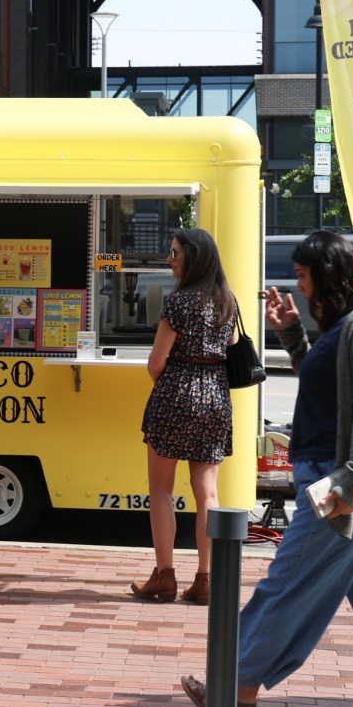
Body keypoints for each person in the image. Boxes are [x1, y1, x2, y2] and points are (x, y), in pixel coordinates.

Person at [179, 231, 353, 707]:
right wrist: (291, 335)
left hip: (340, 483)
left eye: (304, 276)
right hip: (348, 483)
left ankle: (234, 687)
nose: (299, 287)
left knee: (285, 583)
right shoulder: (350, 324)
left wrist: (352, 484)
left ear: (328, 274)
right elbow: (324, 383)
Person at [130, 227, 237, 606]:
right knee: (207, 492)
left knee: (161, 489)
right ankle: (205, 580)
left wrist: (177, 382)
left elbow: (156, 363)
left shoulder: (178, 304)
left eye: (174, 253)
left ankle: (164, 576)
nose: (169, 259)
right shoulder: (228, 301)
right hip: (215, 399)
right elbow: (233, 347)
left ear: (193, 256)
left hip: (175, 395)